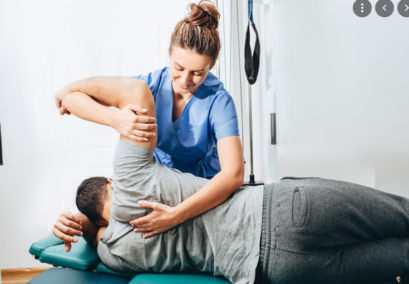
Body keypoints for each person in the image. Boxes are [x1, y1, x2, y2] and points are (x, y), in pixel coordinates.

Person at [54, 86, 409, 284]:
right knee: (404, 215)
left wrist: (81, 223)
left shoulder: (113, 254)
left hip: (273, 270)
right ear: (112, 180)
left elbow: (95, 234)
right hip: (282, 212)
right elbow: (135, 91)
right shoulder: (131, 179)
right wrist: (78, 96)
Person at [53, 0, 244, 241]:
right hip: (160, 185)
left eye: (198, 72)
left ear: (212, 65)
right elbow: (71, 100)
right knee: (129, 231)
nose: (185, 79)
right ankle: (82, 225)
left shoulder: (219, 100)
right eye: (179, 67)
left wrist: (176, 215)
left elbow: (234, 174)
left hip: (203, 191)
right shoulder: (150, 86)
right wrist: (115, 119)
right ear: (169, 53)